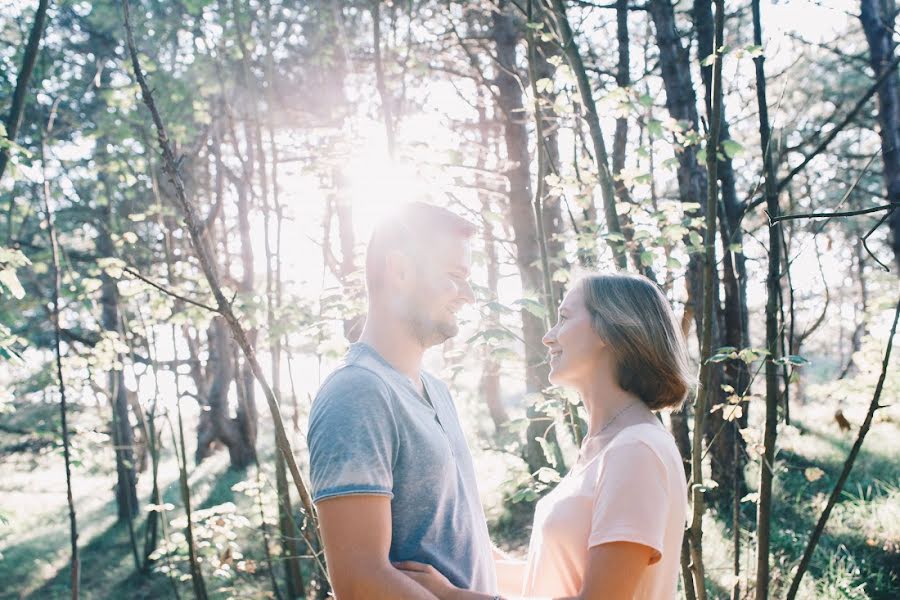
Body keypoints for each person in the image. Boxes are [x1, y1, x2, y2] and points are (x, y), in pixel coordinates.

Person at [398, 272, 692, 600]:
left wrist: (453, 598)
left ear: (610, 329)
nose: (548, 337)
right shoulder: (604, 447)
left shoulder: (637, 449)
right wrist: (458, 557)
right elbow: (548, 580)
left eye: (564, 318)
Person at [307, 203, 497, 599]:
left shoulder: (436, 391)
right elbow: (361, 584)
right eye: (455, 277)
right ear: (400, 271)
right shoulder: (357, 393)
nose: (469, 296)